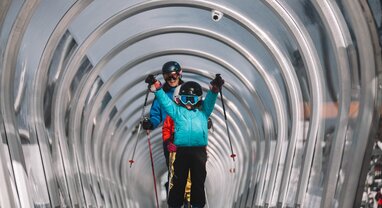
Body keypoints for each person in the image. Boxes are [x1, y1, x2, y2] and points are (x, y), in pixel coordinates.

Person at [145, 74, 224, 208]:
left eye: (192, 100)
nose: (188, 103)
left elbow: (210, 100)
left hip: (198, 151)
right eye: (185, 99)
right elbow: (165, 102)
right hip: (181, 150)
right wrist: (157, 88)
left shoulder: (203, 111)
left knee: (198, 180)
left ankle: (197, 204)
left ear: (198, 100)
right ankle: (175, 204)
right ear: (180, 99)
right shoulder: (177, 111)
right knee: (178, 180)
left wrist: (215, 89)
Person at [141, 61, 184, 193]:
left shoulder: (188, 90)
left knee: (193, 167)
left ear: (179, 74)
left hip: (189, 135)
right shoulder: (162, 94)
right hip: (170, 137)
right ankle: (174, 197)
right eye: (167, 76)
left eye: (174, 75)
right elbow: (156, 115)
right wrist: (151, 123)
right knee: (174, 169)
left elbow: (199, 109)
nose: (171, 79)